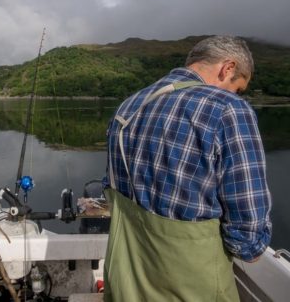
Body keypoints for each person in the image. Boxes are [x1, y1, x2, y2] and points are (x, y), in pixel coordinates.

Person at [104, 36, 272, 302]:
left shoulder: (130, 105)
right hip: (191, 285)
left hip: (126, 279)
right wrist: (249, 246)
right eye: (237, 88)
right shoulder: (228, 109)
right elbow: (247, 226)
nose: (235, 95)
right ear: (227, 68)